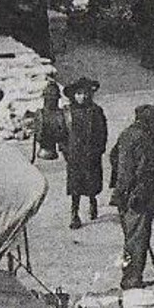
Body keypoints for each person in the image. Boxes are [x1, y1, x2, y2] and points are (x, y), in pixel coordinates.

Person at [109, 104, 154, 288]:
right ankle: (131, 279)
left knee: (132, 239)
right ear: (149, 123)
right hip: (138, 197)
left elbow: (114, 157)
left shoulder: (127, 134)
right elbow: (143, 170)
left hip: (127, 195)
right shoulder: (144, 139)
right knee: (137, 240)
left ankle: (130, 276)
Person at [63, 78, 108, 229]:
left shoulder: (96, 111)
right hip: (74, 155)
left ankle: (92, 201)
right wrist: (65, 151)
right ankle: (74, 213)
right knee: (75, 185)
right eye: (78, 94)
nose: (81, 97)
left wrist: (99, 149)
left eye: (84, 93)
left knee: (91, 182)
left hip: (91, 153)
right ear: (73, 96)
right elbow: (62, 134)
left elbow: (102, 132)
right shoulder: (68, 113)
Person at [35, 70, 66, 162]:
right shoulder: (41, 114)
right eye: (49, 97)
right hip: (45, 148)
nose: (51, 100)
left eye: (53, 97)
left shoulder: (61, 114)